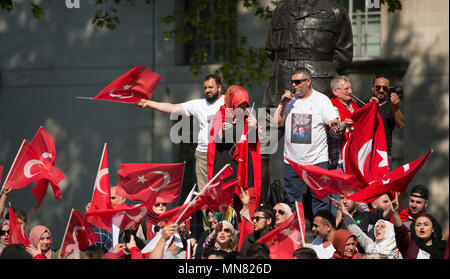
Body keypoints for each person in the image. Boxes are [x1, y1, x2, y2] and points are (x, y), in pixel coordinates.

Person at [274, 68, 340, 214]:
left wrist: (334, 123)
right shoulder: (288, 101)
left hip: (316, 160)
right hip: (292, 161)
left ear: (308, 82)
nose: (294, 85)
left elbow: (332, 119)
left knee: (320, 201)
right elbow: (277, 123)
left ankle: (319, 234)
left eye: (298, 82)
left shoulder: (321, 100)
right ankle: (297, 234)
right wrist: (283, 103)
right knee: (292, 203)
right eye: (292, 82)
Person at [207, 85, 262, 216]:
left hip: (244, 169)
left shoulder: (248, 115)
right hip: (226, 167)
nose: (242, 110)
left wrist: (255, 126)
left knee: (246, 206)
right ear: (231, 103)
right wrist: (223, 131)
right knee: (226, 208)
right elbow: (214, 142)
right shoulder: (221, 114)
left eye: (245, 106)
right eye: (239, 106)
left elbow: (253, 143)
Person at [392, 194, 447, 259]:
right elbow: (400, 230)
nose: (421, 227)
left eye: (426, 224)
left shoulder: (443, 247)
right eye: (418, 225)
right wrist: (395, 212)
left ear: (433, 229)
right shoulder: (409, 245)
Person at [369, 74, 405, 160]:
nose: (381, 90)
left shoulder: (391, 106)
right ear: (372, 88)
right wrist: (370, 107)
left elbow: (401, 124)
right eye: (378, 87)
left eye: (384, 88)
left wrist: (396, 107)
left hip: (383, 153)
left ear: (388, 90)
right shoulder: (364, 104)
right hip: (365, 152)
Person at [328, 75, 358, 170]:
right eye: (346, 89)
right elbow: (333, 133)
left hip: (354, 157)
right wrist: (343, 125)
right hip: (339, 160)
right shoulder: (330, 108)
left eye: (350, 88)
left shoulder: (354, 106)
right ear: (335, 91)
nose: (350, 92)